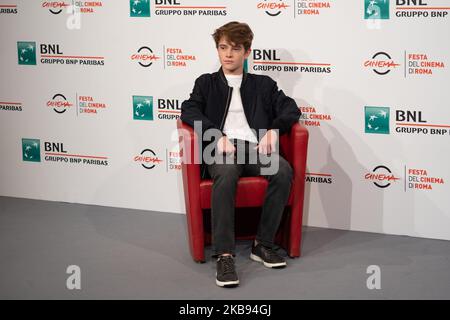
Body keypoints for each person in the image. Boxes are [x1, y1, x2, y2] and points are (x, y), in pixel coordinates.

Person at [180, 21, 301, 288]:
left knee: (281, 170)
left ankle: (263, 244)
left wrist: (274, 129)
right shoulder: (206, 83)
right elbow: (188, 110)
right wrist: (215, 135)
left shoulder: (263, 85)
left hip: (255, 148)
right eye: (223, 47)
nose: (228, 54)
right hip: (221, 147)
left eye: (235, 48)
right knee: (226, 170)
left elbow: (290, 109)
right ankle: (224, 255)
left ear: (247, 52)